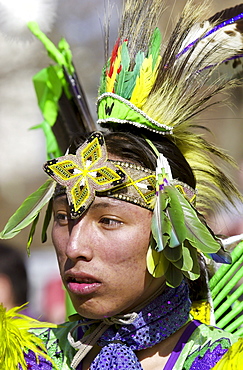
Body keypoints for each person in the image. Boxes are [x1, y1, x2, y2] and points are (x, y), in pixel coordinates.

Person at [1, 0, 243, 369]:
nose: (74, 247)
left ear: (172, 236)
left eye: (108, 221)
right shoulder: (20, 358)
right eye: (64, 217)